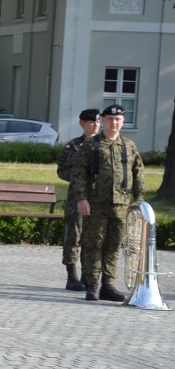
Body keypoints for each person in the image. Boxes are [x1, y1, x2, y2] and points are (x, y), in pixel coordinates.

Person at [73, 104, 144, 302]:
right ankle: (93, 284)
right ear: (103, 121)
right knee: (93, 243)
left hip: (121, 204)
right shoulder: (92, 145)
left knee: (114, 245)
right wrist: (82, 198)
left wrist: (138, 200)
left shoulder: (129, 146)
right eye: (110, 119)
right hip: (96, 204)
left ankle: (108, 285)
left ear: (122, 122)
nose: (114, 122)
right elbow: (78, 173)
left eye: (118, 119)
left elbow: (138, 172)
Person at [56, 108, 100, 291]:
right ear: (82, 123)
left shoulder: (103, 145)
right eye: (91, 122)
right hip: (76, 197)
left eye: (98, 122)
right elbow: (62, 170)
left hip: (98, 198)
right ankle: (72, 276)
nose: (96, 125)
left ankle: (87, 275)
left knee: (92, 238)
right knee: (73, 236)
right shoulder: (74, 145)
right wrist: (80, 178)